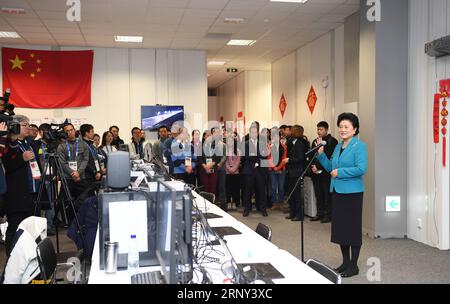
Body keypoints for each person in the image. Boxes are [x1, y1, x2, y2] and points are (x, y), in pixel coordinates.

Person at [317, 113, 368, 278]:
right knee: (341, 230)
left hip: (353, 194)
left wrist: (341, 172)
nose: (342, 130)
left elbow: (361, 169)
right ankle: (345, 262)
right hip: (338, 192)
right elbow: (330, 168)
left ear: (354, 129)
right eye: (340, 126)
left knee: (352, 229)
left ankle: (354, 266)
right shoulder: (338, 146)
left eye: (346, 127)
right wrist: (321, 154)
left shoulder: (359, 146)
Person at [2, 115, 41, 256]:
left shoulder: (28, 143)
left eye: (29, 124)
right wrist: (21, 159)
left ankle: (31, 257)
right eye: (25, 125)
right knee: (15, 227)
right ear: (15, 126)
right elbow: (7, 166)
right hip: (16, 193)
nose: (28, 128)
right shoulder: (7, 143)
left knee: (32, 227)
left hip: (32, 192)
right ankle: (12, 258)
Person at [310, 121, 338, 223]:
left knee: (327, 195)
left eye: (321, 129)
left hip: (326, 173)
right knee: (318, 194)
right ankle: (319, 213)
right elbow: (312, 156)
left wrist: (319, 167)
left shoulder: (332, 141)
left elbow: (330, 157)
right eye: (317, 129)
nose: (319, 131)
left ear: (326, 130)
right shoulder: (315, 141)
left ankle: (328, 215)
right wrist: (313, 167)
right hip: (316, 173)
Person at [283, 125, 306, 221]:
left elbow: (301, 158)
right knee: (291, 193)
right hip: (291, 171)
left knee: (297, 194)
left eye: (293, 130)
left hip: (297, 171)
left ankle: (299, 214)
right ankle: (292, 212)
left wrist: (289, 160)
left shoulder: (301, 143)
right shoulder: (292, 141)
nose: (290, 131)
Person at [268, 126, 287, 211]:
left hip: (281, 169)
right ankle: (274, 203)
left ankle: (281, 203)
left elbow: (284, 158)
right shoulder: (269, 147)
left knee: (281, 187)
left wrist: (278, 167)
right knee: (272, 187)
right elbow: (269, 158)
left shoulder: (284, 147)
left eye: (277, 136)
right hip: (272, 170)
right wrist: (274, 167)